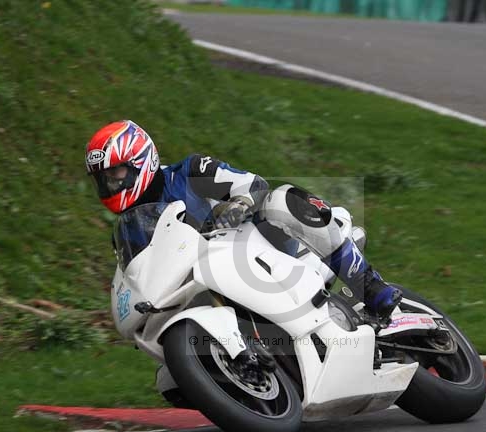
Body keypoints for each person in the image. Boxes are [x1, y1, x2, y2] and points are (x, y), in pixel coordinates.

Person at [85, 120, 402, 323]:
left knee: (282, 199)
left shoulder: (190, 172)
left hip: (251, 248)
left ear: (140, 160)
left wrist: (239, 204)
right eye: (103, 179)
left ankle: (370, 287)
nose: (111, 184)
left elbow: (252, 183)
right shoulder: (129, 230)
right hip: (202, 286)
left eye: (116, 173)